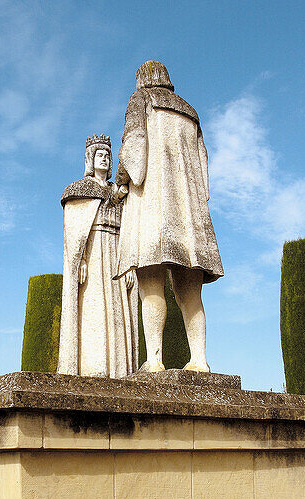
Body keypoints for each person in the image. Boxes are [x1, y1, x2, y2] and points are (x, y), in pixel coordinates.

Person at [115, 60, 224, 373]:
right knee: (190, 291)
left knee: (150, 283)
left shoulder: (141, 100)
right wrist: (198, 202)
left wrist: (122, 181)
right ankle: (200, 360)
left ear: (142, 79)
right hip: (189, 214)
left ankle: (155, 360)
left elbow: (134, 151)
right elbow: (204, 171)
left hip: (153, 205)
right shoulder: (190, 111)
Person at [58, 134, 138, 377]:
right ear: (90, 159)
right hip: (93, 253)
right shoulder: (80, 189)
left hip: (116, 251)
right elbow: (74, 233)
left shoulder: (121, 193)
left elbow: (131, 229)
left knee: (118, 311)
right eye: (99, 155)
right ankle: (94, 368)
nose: (104, 159)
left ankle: (120, 370)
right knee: (93, 309)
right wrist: (79, 259)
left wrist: (130, 265)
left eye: (107, 155)